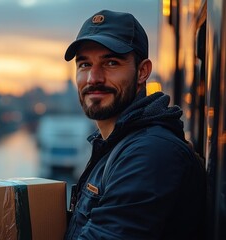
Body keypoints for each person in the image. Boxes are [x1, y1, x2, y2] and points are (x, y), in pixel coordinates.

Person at [63, 10, 206, 239]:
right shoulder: (118, 145)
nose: (93, 78)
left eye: (111, 63)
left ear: (142, 71)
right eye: (84, 64)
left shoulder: (151, 153)